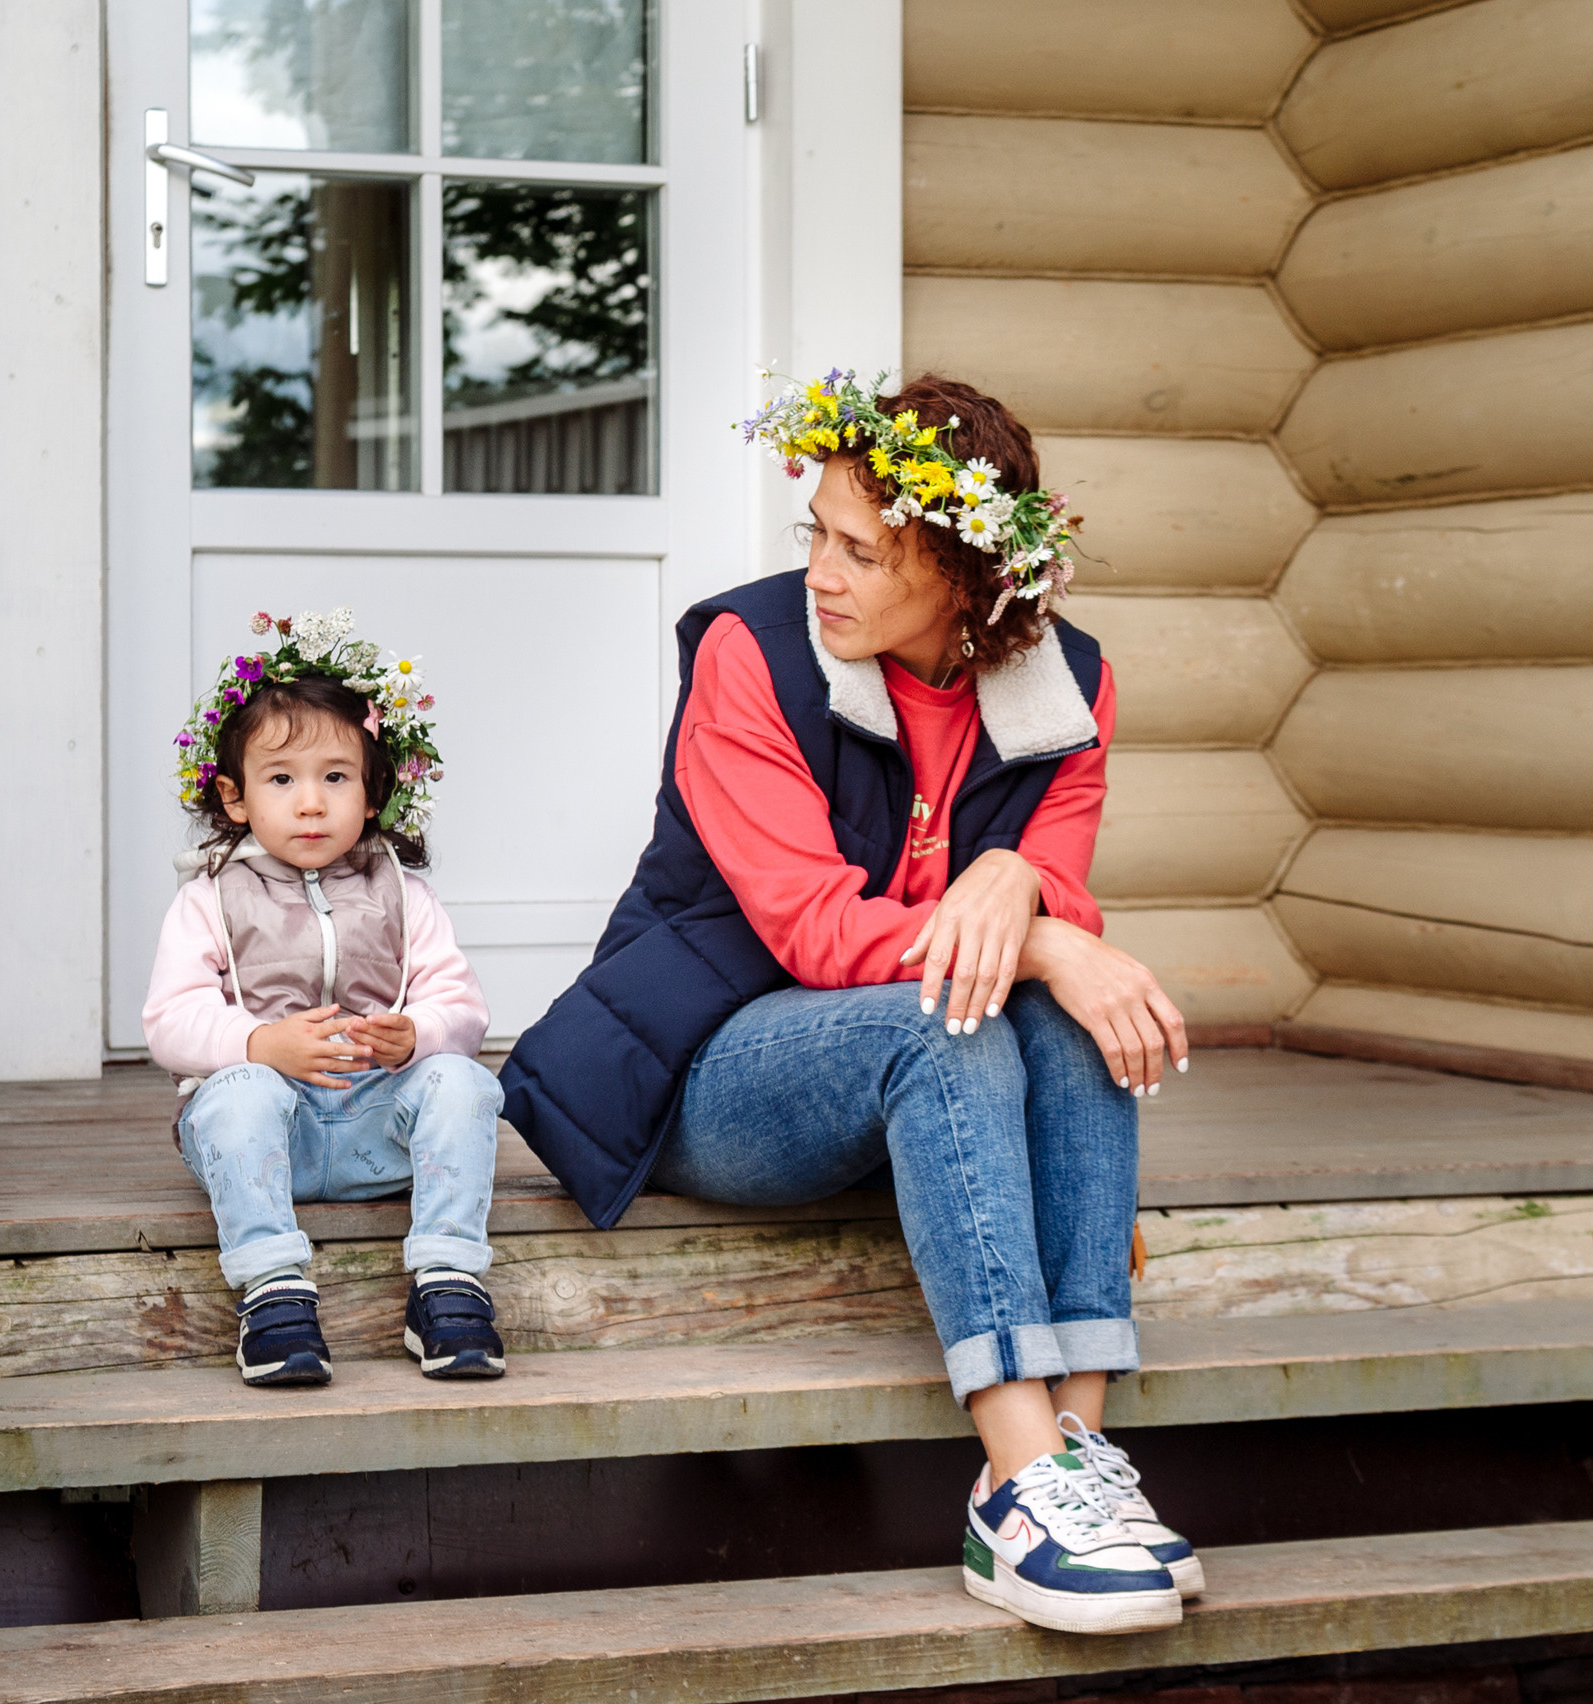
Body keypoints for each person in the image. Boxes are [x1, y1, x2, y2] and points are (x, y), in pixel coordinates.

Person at [503, 372, 1197, 1635]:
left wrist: (1017, 883)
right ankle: (1018, 1471)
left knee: (1073, 1014)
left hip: (910, 1072)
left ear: (967, 580)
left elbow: (1061, 895)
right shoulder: (750, 655)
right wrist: (1040, 931)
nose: (821, 570)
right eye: (814, 533)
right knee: (966, 1012)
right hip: (709, 1065)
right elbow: (821, 933)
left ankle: (1076, 1460)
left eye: (861, 551)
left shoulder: (1069, 689)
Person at [144, 608, 507, 1387]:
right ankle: (273, 1291)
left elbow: (462, 1004)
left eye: (335, 778)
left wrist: (419, 1034)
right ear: (236, 799)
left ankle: (448, 1282)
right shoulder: (210, 897)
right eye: (282, 780)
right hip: (274, 1135)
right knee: (237, 1096)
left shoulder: (405, 896)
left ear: (373, 793)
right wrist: (256, 1045)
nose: (310, 803)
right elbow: (169, 1019)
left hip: (381, 1127)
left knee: (468, 1082)